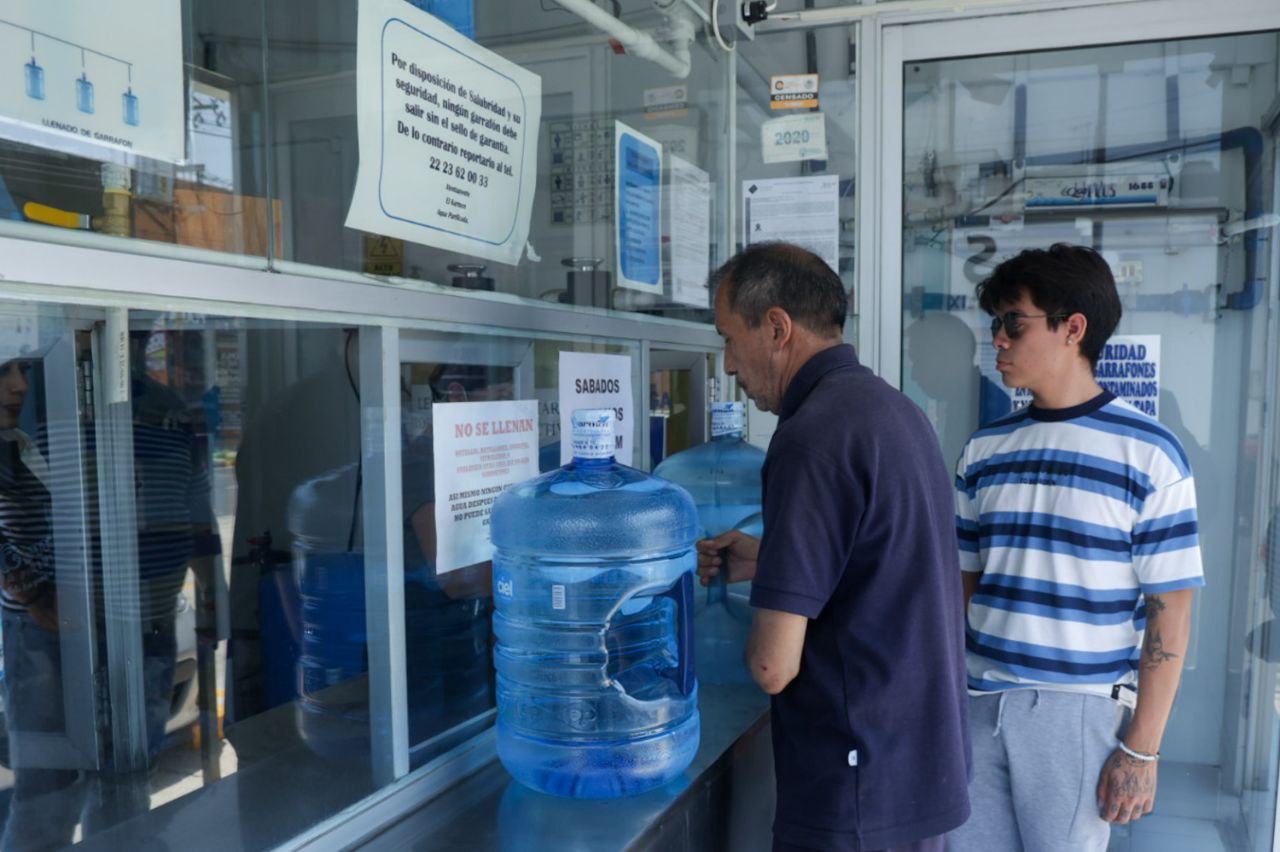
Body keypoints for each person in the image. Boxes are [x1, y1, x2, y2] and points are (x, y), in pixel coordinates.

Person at [697, 242, 971, 851]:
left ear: (776, 327)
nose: (729, 366)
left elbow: (774, 666)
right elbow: (883, 566)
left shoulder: (809, 437)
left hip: (853, 790)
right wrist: (770, 561)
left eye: (729, 338)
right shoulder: (893, 410)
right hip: (916, 771)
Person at [946, 244, 1204, 851]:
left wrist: (1142, 747)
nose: (999, 341)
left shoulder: (1150, 453)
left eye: (1014, 322)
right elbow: (963, 587)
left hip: (1079, 711)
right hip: (975, 701)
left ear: (1073, 328)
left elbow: (1172, 611)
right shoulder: (983, 451)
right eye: (996, 325)